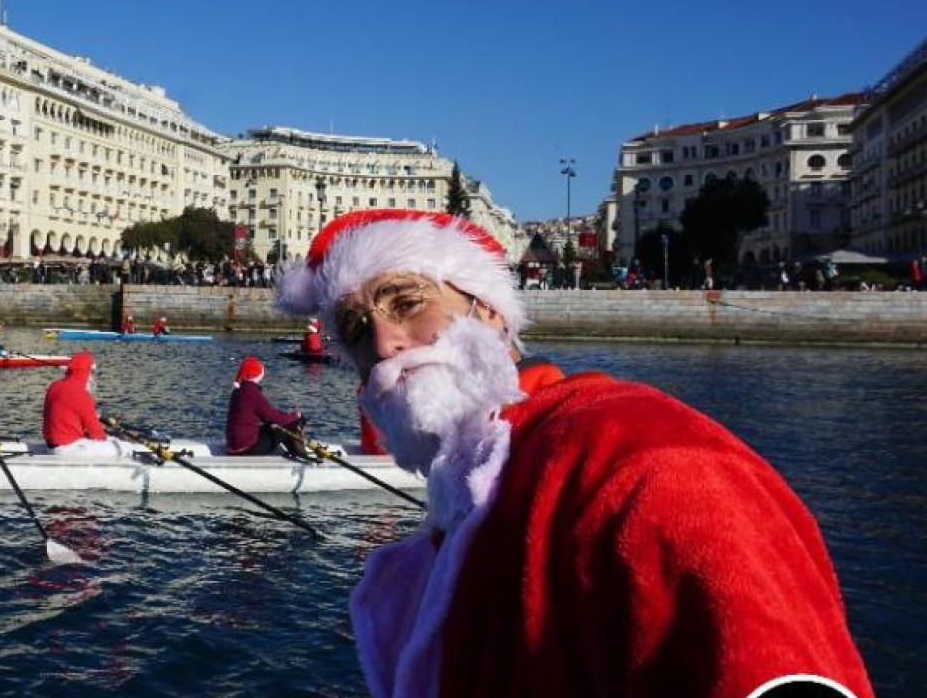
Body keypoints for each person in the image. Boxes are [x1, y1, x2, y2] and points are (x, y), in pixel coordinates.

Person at [274, 208, 872, 698]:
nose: (384, 343)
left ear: (486, 308)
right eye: (354, 330)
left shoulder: (635, 453)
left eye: (406, 302)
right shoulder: (480, 484)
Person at [42, 351, 131, 456]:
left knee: (110, 439)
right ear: (86, 372)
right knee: (124, 446)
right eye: (91, 372)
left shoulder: (54, 385)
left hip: (50, 446)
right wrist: (105, 437)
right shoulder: (81, 394)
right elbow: (97, 434)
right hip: (67, 450)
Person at [223, 357, 308, 457]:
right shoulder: (252, 393)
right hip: (246, 449)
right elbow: (276, 418)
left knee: (280, 423)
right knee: (294, 422)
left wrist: (285, 416)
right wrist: (296, 415)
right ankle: (299, 453)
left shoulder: (238, 391)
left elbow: (265, 416)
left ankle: (294, 449)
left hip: (233, 446)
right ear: (258, 374)